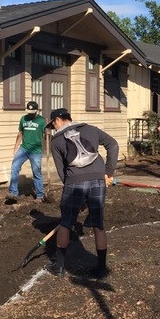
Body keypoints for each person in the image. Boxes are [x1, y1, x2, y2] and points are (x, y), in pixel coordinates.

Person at [44, 108, 118, 278]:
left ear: (57, 120)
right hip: (98, 180)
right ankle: (101, 268)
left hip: (74, 183)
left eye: (53, 124)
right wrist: (109, 171)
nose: (53, 128)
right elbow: (112, 144)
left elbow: (62, 172)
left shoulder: (56, 141)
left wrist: (74, 192)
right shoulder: (91, 129)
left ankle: (60, 267)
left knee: (66, 223)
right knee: (98, 224)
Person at [5, 101, 47, 204]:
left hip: (35, 150)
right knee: (15, 167)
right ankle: (13, 193)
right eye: (29, 111)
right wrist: (15, 147)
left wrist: (47, 134)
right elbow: (20, 133)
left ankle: (40, 195)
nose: (30, 113)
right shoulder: (23, 118)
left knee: (36, 172)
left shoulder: (41, 121)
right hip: (24, 148)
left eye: (32, 111)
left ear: (37, 110)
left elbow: (46, 135)